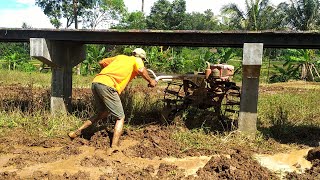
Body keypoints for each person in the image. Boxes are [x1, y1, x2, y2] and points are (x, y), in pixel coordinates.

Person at [68, 48, 157, 148]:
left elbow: (102, 62)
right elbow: (141, 70)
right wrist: (150, 81)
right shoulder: (137, 60)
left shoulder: (120, 57)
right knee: (120, 117)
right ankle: (114, 147)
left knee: (102, 112)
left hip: (97, 82)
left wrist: (110, 72)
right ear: (141, 58)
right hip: (109, 86)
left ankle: (76, 132)